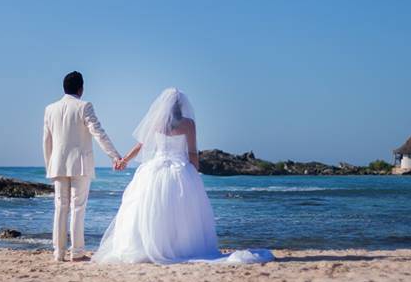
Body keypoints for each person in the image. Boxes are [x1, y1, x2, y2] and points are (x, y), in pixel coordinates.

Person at [92, 88, 272, 265]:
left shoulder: (156, 123)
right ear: (181, 106)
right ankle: (179, 247)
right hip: (180, 170)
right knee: (181, 212)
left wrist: (124, 160)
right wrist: (195, 173)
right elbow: (193, 152)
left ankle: (149, 246)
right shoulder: (188, 124)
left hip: (155, 169)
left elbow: (140, 146)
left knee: (152, 209)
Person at [43, 71, 122, 262]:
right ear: (81, 88)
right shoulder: (84, 106)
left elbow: (46, 140)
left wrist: (49, 165)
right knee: (78, 207)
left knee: (60, 207)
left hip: (58, 164)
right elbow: (98, 133)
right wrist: (115, 156)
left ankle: (58, 252)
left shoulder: (50, 109)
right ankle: (76, 252)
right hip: (80, 164)